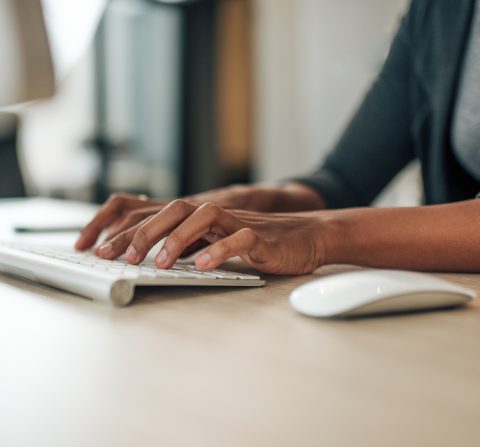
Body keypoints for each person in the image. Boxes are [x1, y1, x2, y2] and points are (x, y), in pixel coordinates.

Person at [76, 0, 480, 275]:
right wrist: (241, 203)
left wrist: (323, 235)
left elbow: (327, 218)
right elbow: (345, 180)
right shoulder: (440, 11)